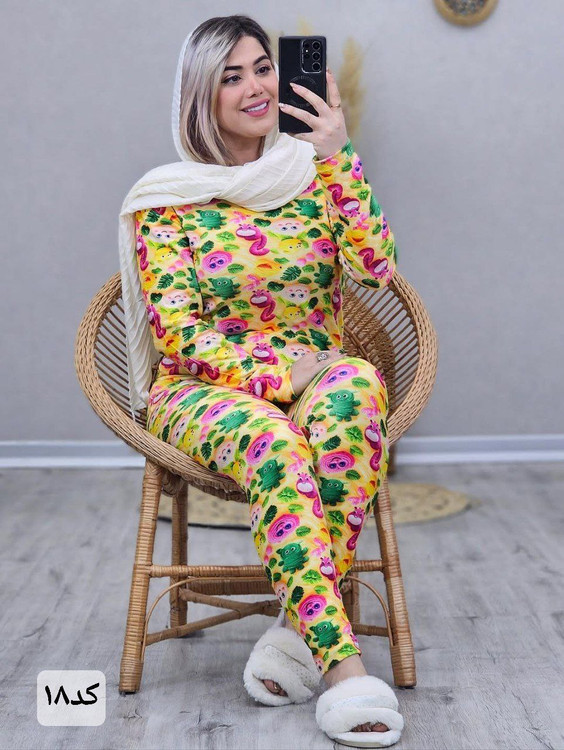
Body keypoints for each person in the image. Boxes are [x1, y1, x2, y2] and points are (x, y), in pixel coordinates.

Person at [119, 14, 404, 746]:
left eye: (263, 68)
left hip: (316, 374)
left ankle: (293, 633)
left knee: (355, 389)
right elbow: (179, 333)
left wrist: (339, 157)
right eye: (232, 76)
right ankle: (342, 668)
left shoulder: (311, 174)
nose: (255, 87)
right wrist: (279, 374)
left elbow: (377, 270)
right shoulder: (169, 197)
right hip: (201, 390)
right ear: (200, 95)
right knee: (275, 438)